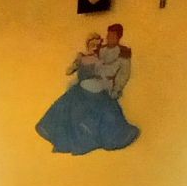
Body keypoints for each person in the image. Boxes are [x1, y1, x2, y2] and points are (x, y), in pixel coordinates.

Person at [35, 27, 139, 155]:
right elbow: (70, 71)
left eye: (97, 45)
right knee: (68, 109)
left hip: (99, 89)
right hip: (82, 88)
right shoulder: (85, 56)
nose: (95, 47)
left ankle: (100, 134)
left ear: (118, 37)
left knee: (109, 112)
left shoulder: (115, 56)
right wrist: (77, 65)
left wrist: (114, 88)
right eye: (92, 45)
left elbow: (114, 73)